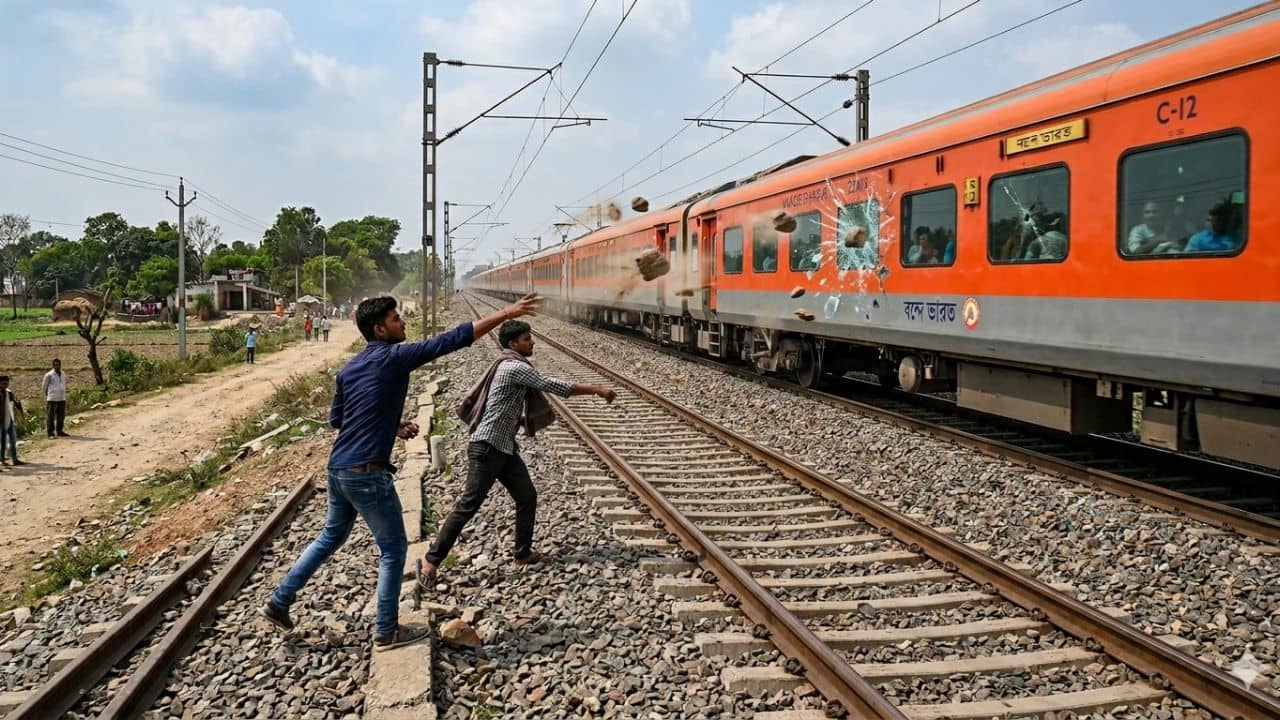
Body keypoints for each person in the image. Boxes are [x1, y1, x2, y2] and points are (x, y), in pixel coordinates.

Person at [260, 293, 541, 651]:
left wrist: (392, 426)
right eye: (396, 319)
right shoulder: (394, 357)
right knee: (393, 550)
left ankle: (279, 601)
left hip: (338, 469)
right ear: (379, 330)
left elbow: (338, 420)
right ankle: (386, 631)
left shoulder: (348, 369)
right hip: (366, 472)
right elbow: (452, 339)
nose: (403, 322)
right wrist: (506, 313)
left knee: (329, 538)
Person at [417, 319, 616, 590]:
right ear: (513, 344)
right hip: (487, 448)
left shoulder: (507, 365)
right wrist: (596, 389)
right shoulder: (513, 367)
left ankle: (522, 553)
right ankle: (431, 562)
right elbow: (553, 385)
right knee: (468, 505)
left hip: (503, 447)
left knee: (527, 496)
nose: (532, 342)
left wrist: (517, 422)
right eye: (526, 339)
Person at [0, 376, 25, 466]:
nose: (5, 385)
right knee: (2, 441)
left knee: (13, 440)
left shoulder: (9, 393)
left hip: (9, 419)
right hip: (1, 421)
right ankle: (2, 460)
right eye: (3, 384)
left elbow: (15, 403)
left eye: (7, 383)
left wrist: (21, 411)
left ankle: (14, 459)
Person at [41, 359, 67, 438]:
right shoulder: (49, 375)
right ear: (53, 366)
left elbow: (63, 384)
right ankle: (50, 433)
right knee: (50, 417)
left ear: (60, 365)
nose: (57, 366)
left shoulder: (63, 373)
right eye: (55, 365)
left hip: (62, 398)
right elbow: (44, 387)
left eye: (58, 365)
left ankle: (60, 431)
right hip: (52, 398)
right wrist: (48, 395)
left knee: (61, 416)